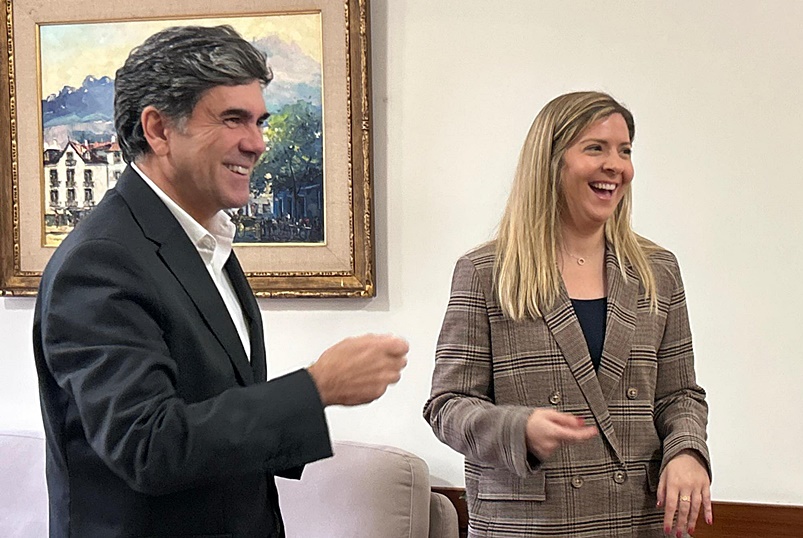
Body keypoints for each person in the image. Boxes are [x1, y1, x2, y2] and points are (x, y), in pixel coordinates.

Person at [33, 25, 408, 538]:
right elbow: (148, 446)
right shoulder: (100, 261)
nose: (257, 143)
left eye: (259, 121)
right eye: (233, 119)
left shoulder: (205, 241)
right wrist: (316, 388)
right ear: (158, 130)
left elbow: (215, 407)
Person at [424, 91, 711, 537]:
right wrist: (518, 429)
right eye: (596, 148)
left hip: (637, 520)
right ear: (551, 162)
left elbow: (680, 395)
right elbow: (447, 405)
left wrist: (687, 452)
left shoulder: (657, 270)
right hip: (531, 524)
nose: (616, 165)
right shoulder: (486, 272)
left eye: (625, 151)